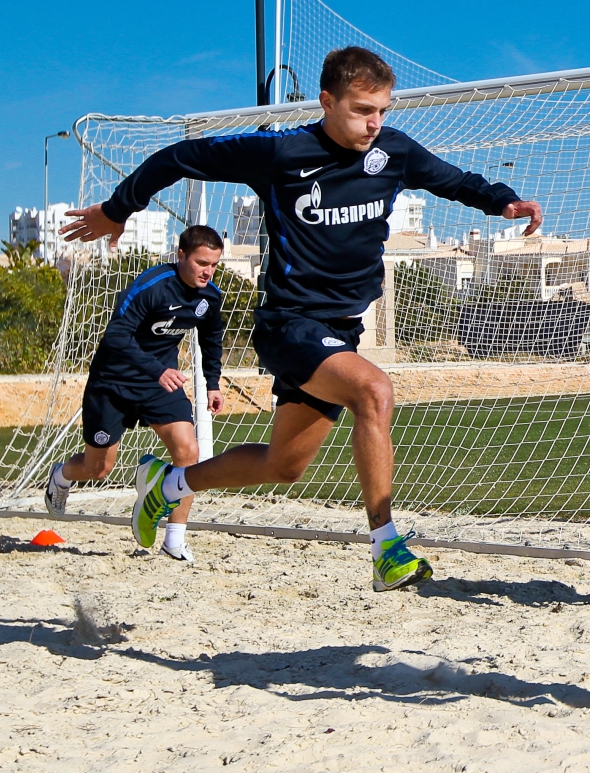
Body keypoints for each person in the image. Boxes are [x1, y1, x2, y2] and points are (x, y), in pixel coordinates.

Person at [62, 47, 543, 592]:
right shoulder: (281, 153)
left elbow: (453, 180)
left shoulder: (393, 151)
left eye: (382, 110)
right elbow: (178, 156)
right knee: (374, 392)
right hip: (289, 324)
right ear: (327, 102)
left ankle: (169, 485)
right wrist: (118, 209)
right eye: (362, 110)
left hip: (341, 331)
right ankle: (386, 547)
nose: (375, 123)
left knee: (283, 465)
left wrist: (504, 203)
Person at [44, 225, 227, 562]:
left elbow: (211, 339)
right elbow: (116, 336)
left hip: (159, 386)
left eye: (214, 265)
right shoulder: (152, 286)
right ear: (181, 255)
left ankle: (174, 539)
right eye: (202, 263)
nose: (208, 271)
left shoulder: (210, 297)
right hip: (113, 383)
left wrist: (213, 383)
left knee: (188, 452)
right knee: (98, 469)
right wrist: (156, 369)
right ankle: (61, 476)